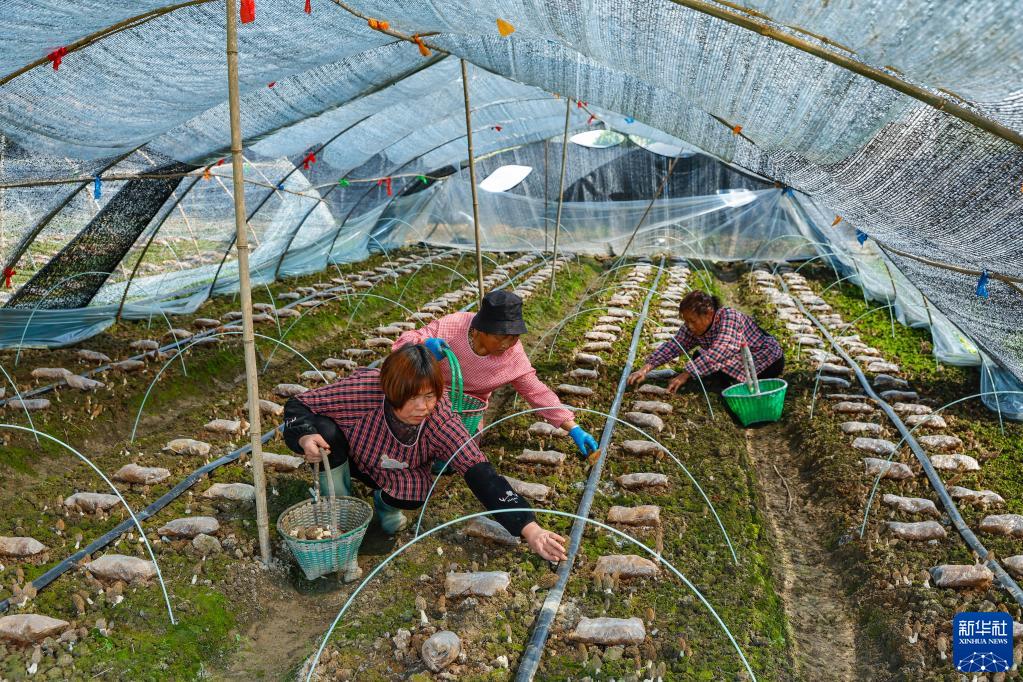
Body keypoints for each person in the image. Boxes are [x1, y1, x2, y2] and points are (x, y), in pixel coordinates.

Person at [282, 344, 568, 580]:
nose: (422, 407)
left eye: (429, 396)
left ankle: (384, 506)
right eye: (412, 398)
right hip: (352, 455)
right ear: (391, 390)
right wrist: (306, 436)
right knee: (325, 430)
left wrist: (529, 528)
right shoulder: (363, 390)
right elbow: (299, 405)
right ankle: (341, 515)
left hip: (397, 469)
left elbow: (479, 471)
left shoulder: (439, 417)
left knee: (415, 492)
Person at [392, 289, 599, 458]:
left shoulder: (513, 356)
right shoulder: (452, 327)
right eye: (501, 337)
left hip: (468, 412)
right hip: (428, 394)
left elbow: (537, 392)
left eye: (514, 337)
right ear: (480, 330)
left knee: (455, 455)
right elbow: (401, 343)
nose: (508, 344)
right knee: (411, 443)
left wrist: (573, 428)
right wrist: (423, 346)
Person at [627, 290, 783, 393]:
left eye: (692, 321)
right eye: (686, 321)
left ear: (708, 313)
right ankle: (719, 379)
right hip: (739, 359)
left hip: (766, 360)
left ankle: (725, 382)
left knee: (711, 366)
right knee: (699, 358)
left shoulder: (729, 317)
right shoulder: (693, 327)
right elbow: (674, 346)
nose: (689, 325)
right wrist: (646, 368)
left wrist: (685, 374)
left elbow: (722, 350)